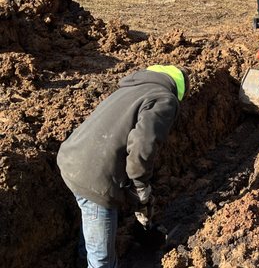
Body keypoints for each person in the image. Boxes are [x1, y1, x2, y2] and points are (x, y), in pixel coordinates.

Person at [57, 65, 190, 268]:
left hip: (71, 158)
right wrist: (140, 185)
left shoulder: (131, 87)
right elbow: (143, 147)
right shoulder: (165, 100)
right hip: (95, 178)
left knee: (89, 214)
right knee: (102, 260)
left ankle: (83, 256)